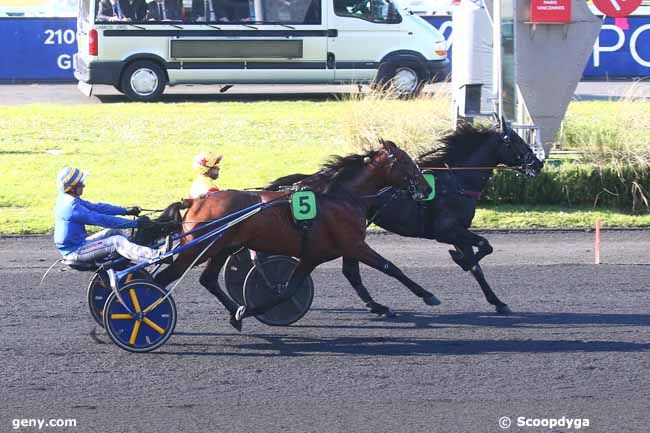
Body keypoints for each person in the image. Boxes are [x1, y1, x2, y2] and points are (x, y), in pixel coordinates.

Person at [54, 166, 171, 264]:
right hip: (76, 251)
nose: (83, 186)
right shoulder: (71, 207)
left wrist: (125, 210)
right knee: (116, 241)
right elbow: (102, 219)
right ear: (72, 188)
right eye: (80, 184)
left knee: (114, 232)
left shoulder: (68, 199)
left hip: (79, 244)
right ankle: (157, 256)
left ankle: (138, 252)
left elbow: (98, 207)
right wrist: (135, 224)